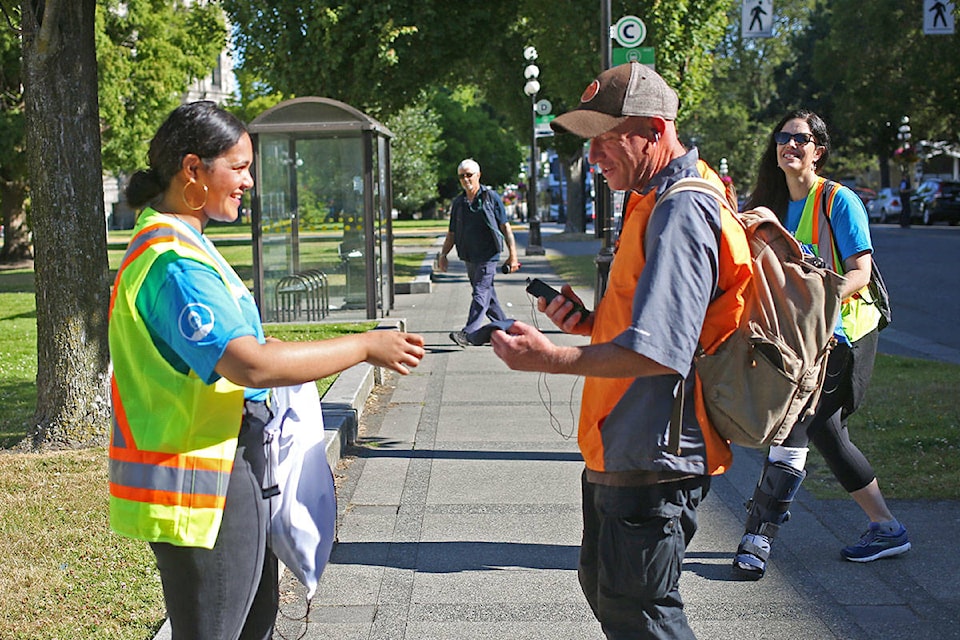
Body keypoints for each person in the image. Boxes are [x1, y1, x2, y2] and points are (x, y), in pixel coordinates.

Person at [107, 101, 425, 639]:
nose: (249, 181)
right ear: (193, 170)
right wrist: (365, 345)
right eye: (238, 166)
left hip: (221, 473)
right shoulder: (174, 261)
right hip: (201, 485)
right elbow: (250, 364)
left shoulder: (185, 243)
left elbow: (239, 349)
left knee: (253, 625)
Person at [492, 62, 746, 639]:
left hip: (654, 451)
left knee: (643, 615)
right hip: (624, 443)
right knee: (612, 595)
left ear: (655, 130)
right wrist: (586, 322)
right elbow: (652, 320)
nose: (594, 155)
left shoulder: (681, 208)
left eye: (608, 138)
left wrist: (551, 358)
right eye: (590, 140)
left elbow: (662, 352)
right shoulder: (653, 196)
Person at [731, 109, 909, 581]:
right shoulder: (769, 202)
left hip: (846, 334)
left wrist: (819, 298)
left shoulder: (838, 200)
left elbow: (860, 274)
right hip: (798, 338)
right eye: (783, 138)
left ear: (819, 149)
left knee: (797, 427)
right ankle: (887, 526)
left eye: (801, 138)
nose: (791, 145)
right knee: (825, 433)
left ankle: (758, 533)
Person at [437, 158, 519, 347]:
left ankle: (468, 333)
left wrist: (513, 255)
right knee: (487, 296)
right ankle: (510, 329)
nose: (465, 179)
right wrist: (443, 255)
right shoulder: (459, 203)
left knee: (480, 292)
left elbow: (505, 228)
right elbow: (451, 233)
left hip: (488, 255)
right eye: (461, 176)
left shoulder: (491, 198)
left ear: (478, 175)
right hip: (468, 256)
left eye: (469, 175)